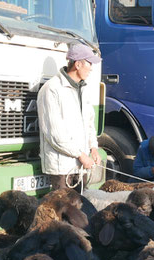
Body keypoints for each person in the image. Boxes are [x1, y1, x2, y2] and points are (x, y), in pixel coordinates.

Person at [37, 43, 102, 191]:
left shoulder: (84, 89)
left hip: (80, 166)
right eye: (89, 63)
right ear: (78, 64)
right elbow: (54, 134)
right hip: (62, 168)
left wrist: (93, 148)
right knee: (62, 212)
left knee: (81, 210)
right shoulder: (51, 89)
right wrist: (81, 155)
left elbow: (89, 123)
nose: (91, 68)